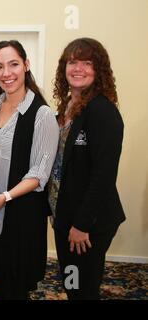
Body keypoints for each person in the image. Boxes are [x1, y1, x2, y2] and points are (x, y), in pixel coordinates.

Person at [0, 40, 59, 300]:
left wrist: (4, 198)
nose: (6, 73)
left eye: (13, 64)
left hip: (21, 218)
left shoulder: (42, 115)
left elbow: (40, 172)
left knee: (16, 287)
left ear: (26, 65)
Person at [48, 38, 125, 300]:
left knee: (83, 288)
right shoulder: (67, 106)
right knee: (71, 280)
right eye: (72, 62)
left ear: (99, 70)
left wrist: (81, 224)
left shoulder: (102, 110)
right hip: (65, 216)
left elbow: (103, 175)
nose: (78, 68)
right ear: (64, 67)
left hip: (88, 222)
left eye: (87, 63)